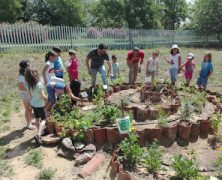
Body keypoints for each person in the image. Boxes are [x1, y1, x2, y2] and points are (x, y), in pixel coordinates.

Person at [25, 67, 47, 144]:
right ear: (36, 75)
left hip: (33, 104)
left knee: (37, 118)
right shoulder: (39, 85)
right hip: (40, 105)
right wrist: (47, 98)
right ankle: (39, 134)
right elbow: (42, 96)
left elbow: (30, 95)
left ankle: (39, 132)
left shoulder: (28, 85)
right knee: (44, 119)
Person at [18, 60, 35, 130]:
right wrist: (28, 91)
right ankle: (28, 124)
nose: (30, 66)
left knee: (30, 108)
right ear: (24, 67)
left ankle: (30, 120)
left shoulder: (27, 73)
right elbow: (20, 86)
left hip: (29, 92)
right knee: (28, 108)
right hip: (25, 94)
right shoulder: (21, 76)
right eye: (28, 65)